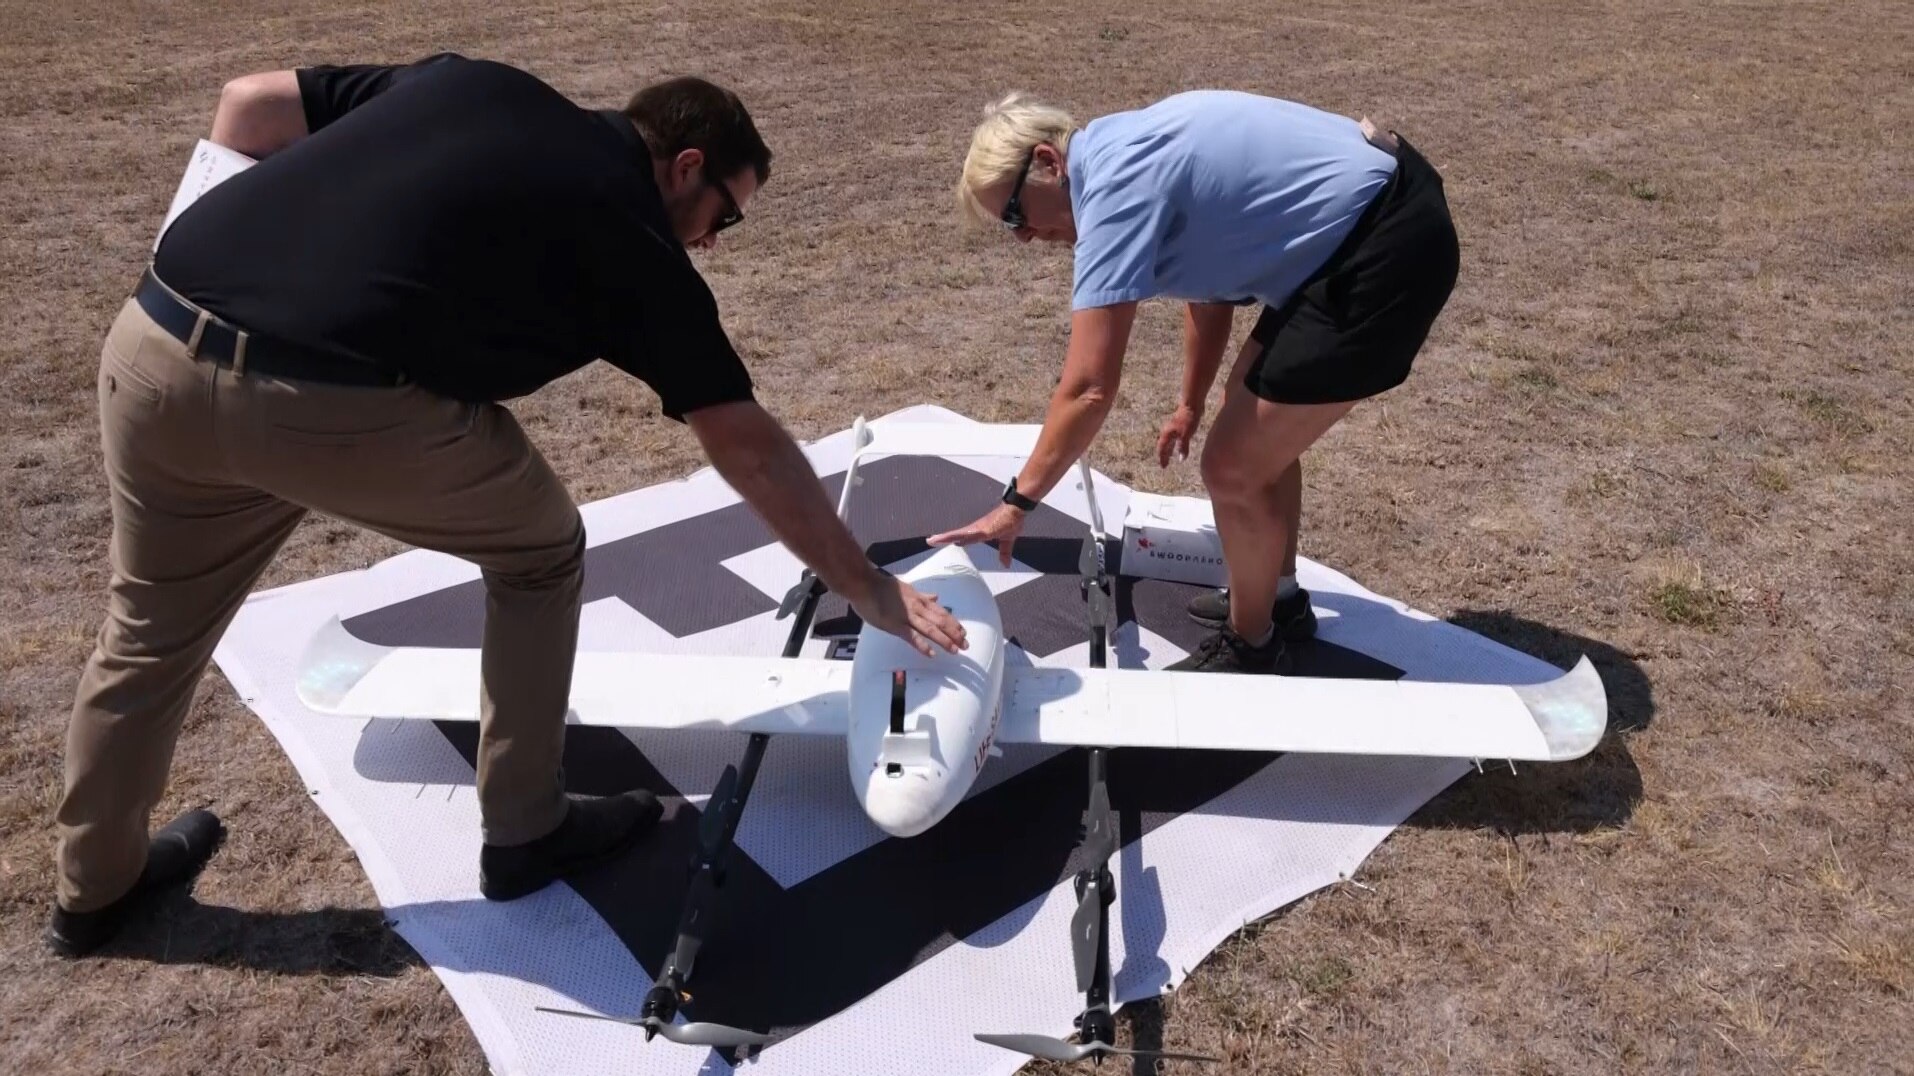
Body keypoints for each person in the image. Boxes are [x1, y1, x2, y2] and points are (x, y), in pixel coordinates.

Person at [48, 53, 967, 957]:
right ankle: (527, 827)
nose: (714, 240)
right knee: (541, 552)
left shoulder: (472, 79)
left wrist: (244, 273)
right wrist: (868, 588)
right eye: (723, 213)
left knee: (147, 633)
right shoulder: (630, 233)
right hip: (318, 398)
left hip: (153, 343)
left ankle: (94, 887)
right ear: (685, 167)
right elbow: (747, 446)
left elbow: (246, 106)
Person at [929, 89, 1458, 675]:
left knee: (1232, 467)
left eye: (1013, 213)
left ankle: (1251, 645)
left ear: (1050, 164)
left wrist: (1017, 503)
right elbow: (1207, 295)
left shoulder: (1112, 188)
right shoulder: (1119, 150)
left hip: (1386, 245)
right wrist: (1190, 402)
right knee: (1248, 424)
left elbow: (1087, 387)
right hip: (1368, 222)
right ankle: (1278, 602)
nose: (1023, 237)